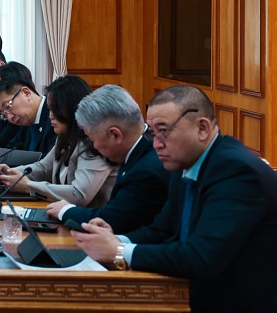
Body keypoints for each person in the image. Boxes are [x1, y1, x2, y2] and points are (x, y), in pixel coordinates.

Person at [73, 85, 277, 311]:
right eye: (152, 133)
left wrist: (118, 252)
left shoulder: (237, 172)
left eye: (164, 131)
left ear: (202, 128)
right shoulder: (184, 165)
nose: (156, 144)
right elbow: (161, 231)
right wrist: (114, 240)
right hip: (192, 296)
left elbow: (201, 257)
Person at [45, 85, 169, 233]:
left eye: (92, 140)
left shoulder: (146, 170)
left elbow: (112, 220)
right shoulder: (141, 143)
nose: (94, 146)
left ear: (115, 135)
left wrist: (65, 210)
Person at [0, 75, 117, 206]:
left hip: (94, 216)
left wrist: (28, 186)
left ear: (72, 108)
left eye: (55, 109)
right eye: (50, 109)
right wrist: (12, 173)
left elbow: (79, 194)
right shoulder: (66, 136)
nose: (50, 115)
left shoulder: (95, 142)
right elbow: (44, 167)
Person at [0, 75, 58, 154]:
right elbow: (8, 151)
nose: (10, 117)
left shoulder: (55, 114)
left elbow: (51, 160)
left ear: (26, 93)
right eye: (4, 114)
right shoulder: (26, 122)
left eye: (8, 107)